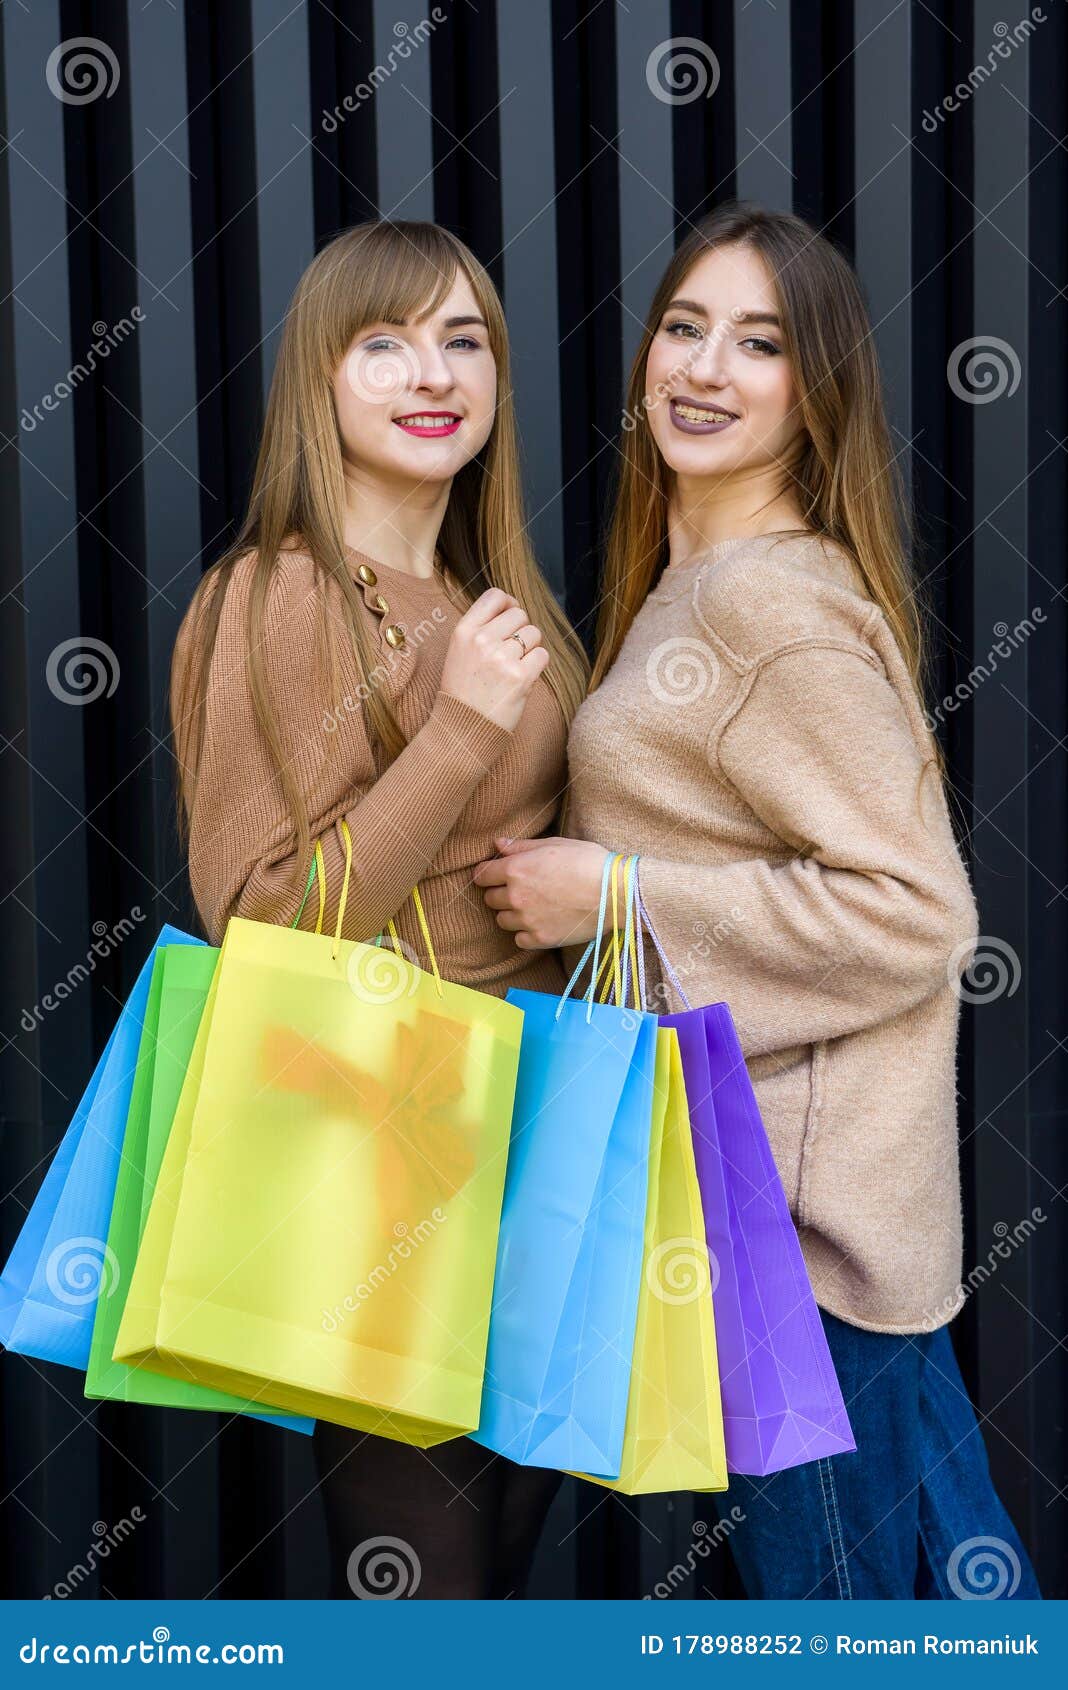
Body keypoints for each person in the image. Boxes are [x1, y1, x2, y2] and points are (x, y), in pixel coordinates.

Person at [472, 200, 1041, 1601]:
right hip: (769, 1221)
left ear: (815, 392)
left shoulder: (768, 608)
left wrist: (618, 892)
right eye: (684, 328)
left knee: (854, 1625)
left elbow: (917, 917)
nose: (705, 367)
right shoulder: (696, 585)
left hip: (799, 1245)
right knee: (942, 1603)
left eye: (760, 342)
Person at [169, 219, 588, 1598]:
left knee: (506, 1575)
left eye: (466, 339)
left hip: (540, 1123)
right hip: (387, 1138)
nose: (436, 371)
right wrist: (459, 732)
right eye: (387, 342)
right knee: (431, 1594)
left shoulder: (490, 598)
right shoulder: (279, 594)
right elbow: (266, 929)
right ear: (321, 381)